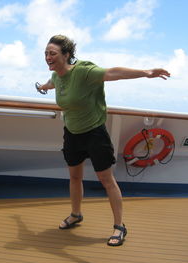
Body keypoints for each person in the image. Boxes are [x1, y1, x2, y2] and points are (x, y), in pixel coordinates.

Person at [37, 35, 170, 246]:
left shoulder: (84, 71)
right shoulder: (57, 76)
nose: (47, 57)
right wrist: (42, 87)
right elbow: (51, 83)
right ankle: (76, 214)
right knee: (74, 177)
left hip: (94, 134)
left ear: (67, 55)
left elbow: (112, 72)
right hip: (72, 133)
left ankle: (120, 227)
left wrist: (146, 73)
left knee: (107, 180)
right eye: (46, 53)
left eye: (52, 53)